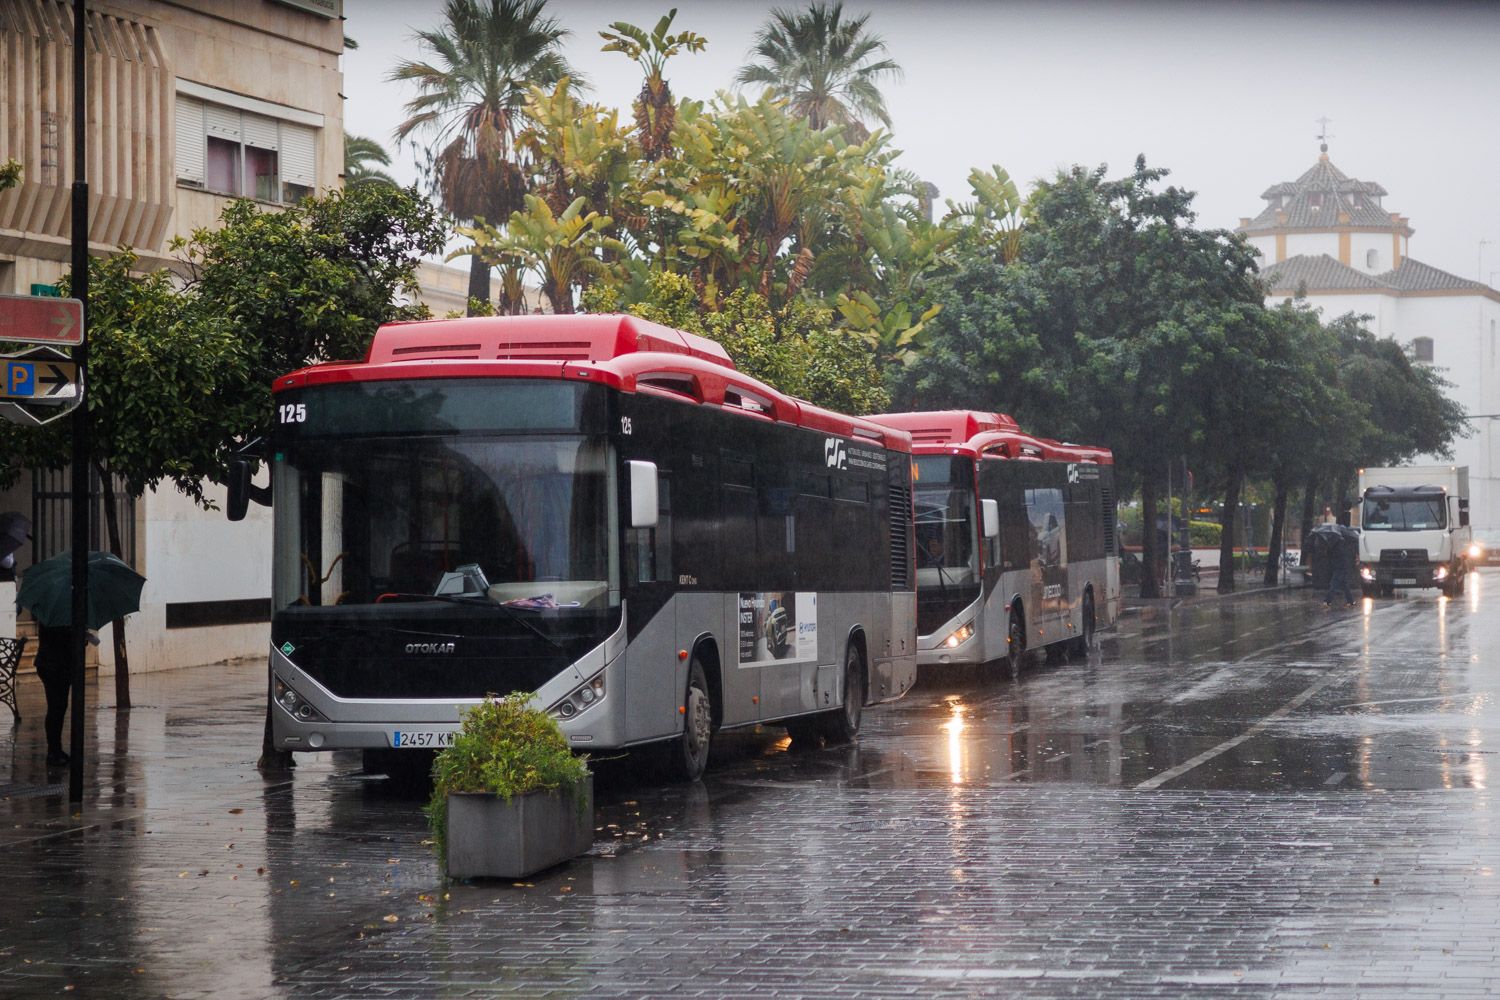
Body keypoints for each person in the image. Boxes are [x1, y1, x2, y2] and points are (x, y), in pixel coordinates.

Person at [34, 624, 73, 766]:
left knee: (59, 708)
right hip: (54, 666)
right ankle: (53, 750)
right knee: (56, 708)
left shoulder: (55, 618)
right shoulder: (54, 621)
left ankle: (55, 749)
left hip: (55, 665)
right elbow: (57, 642)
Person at [1324, 527, 1358, 609]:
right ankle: (1327, 601)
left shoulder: (1330, 544)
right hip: (1342, 566)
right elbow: (1343, 555)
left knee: (1344, 584)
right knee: (1335, 583)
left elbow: (1329, 555)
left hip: (1336, 565)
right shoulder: (1340, 543)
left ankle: (1350, 601)